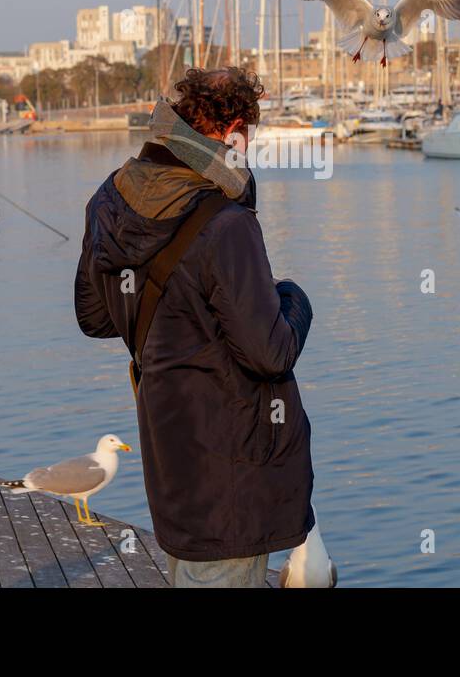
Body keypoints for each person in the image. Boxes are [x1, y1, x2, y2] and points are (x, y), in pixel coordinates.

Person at [74, 67, 315, 587]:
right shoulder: (227, 223)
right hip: (234, 468)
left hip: (171, 455)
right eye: (250, 133)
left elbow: (95, 318)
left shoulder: (109, 199)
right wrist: (295, 301)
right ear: (232, 131)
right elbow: (270, 352)